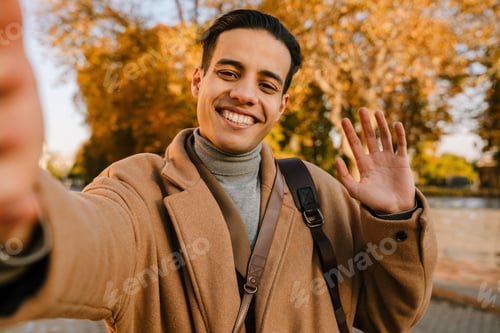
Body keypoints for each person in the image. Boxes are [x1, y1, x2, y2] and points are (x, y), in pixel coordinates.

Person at [0, 2, 437, 332]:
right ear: (198, 80)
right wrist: (23, 224)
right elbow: (91, 242)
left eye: (266, 84)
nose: (246, 94)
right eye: (229, 73)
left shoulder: (318, 191)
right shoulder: (135, 185)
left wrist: (394, 218)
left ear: (281, 105)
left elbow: (390, 314)